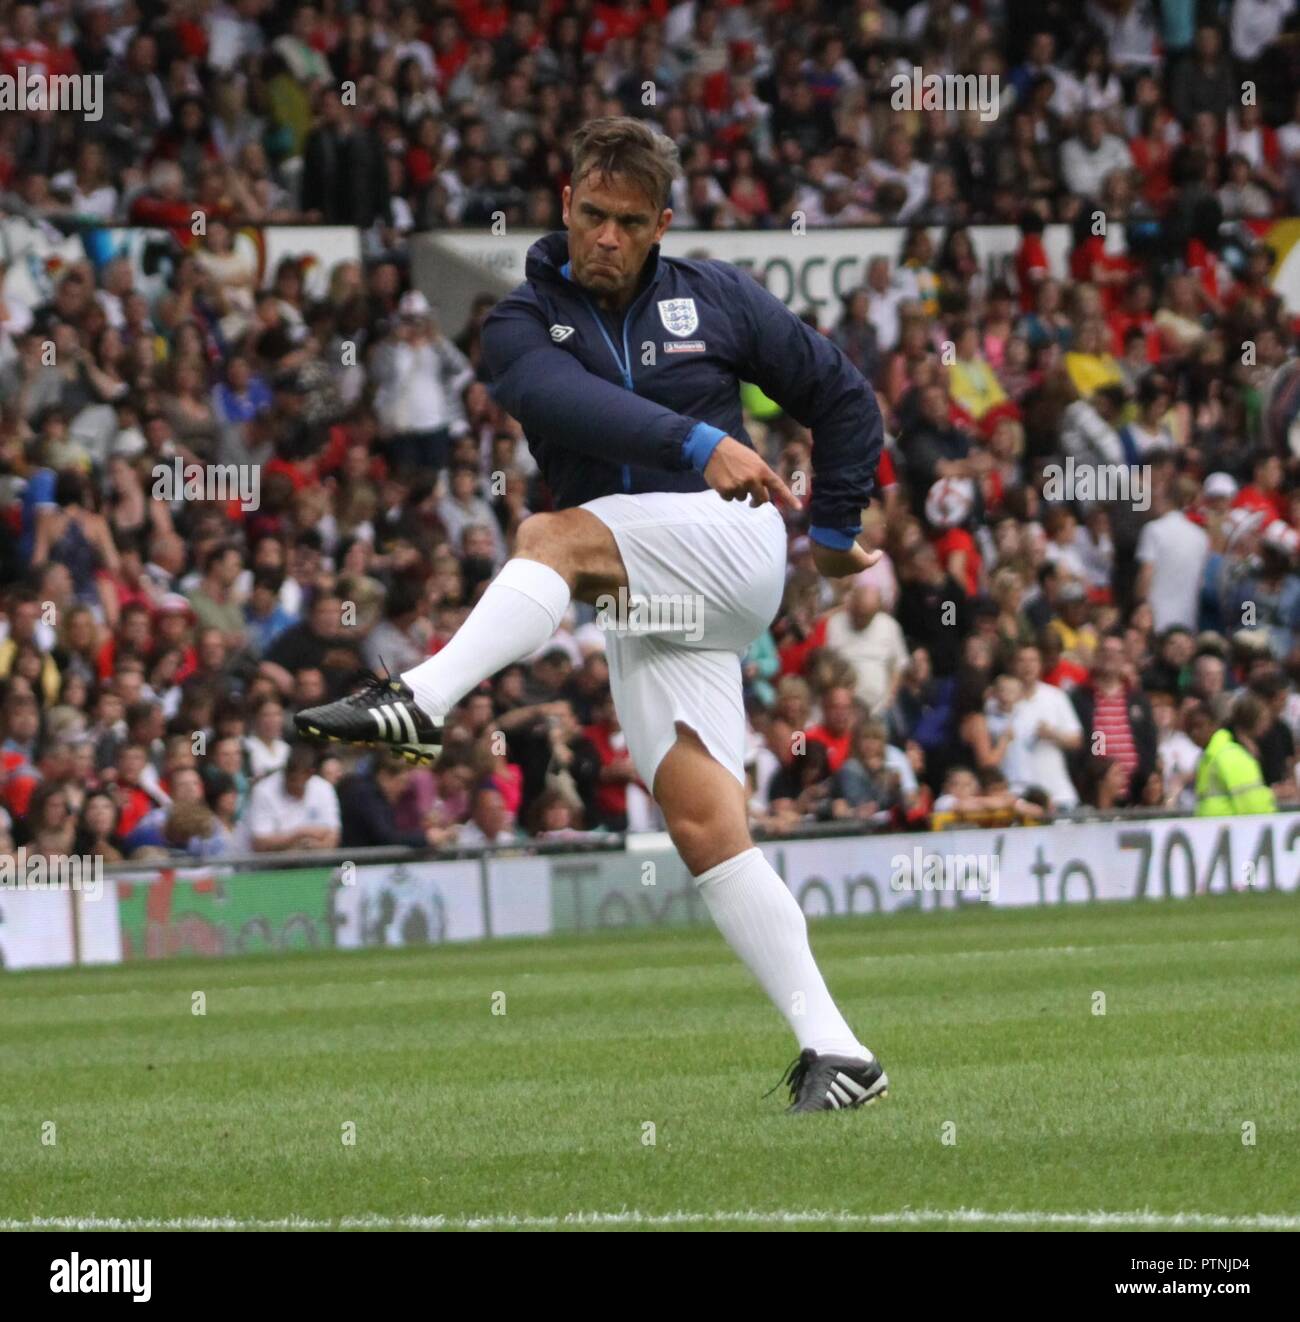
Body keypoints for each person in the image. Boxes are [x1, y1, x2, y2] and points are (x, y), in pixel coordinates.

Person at [296, 116, 888, 1114]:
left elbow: (843, 398)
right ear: (565, 204)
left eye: (627, 222)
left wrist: (832, 530)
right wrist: (699, 438)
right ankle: (838, 1050)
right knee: (704, 822)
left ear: (660, 223)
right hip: (646, 592)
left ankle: (425, 697)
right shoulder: (518, 320)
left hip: (729, 547)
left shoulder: (720, 298)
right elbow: (558, 402)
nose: (604, 237)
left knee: (549, 535)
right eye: (590, 215)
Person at [1194, 693, 1278, 816]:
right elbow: (1252, 804)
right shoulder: (1233, 755)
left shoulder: (1217, 749)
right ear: (1254, 721)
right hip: (1230, 829)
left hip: (1213, 827)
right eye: (1264, 719)